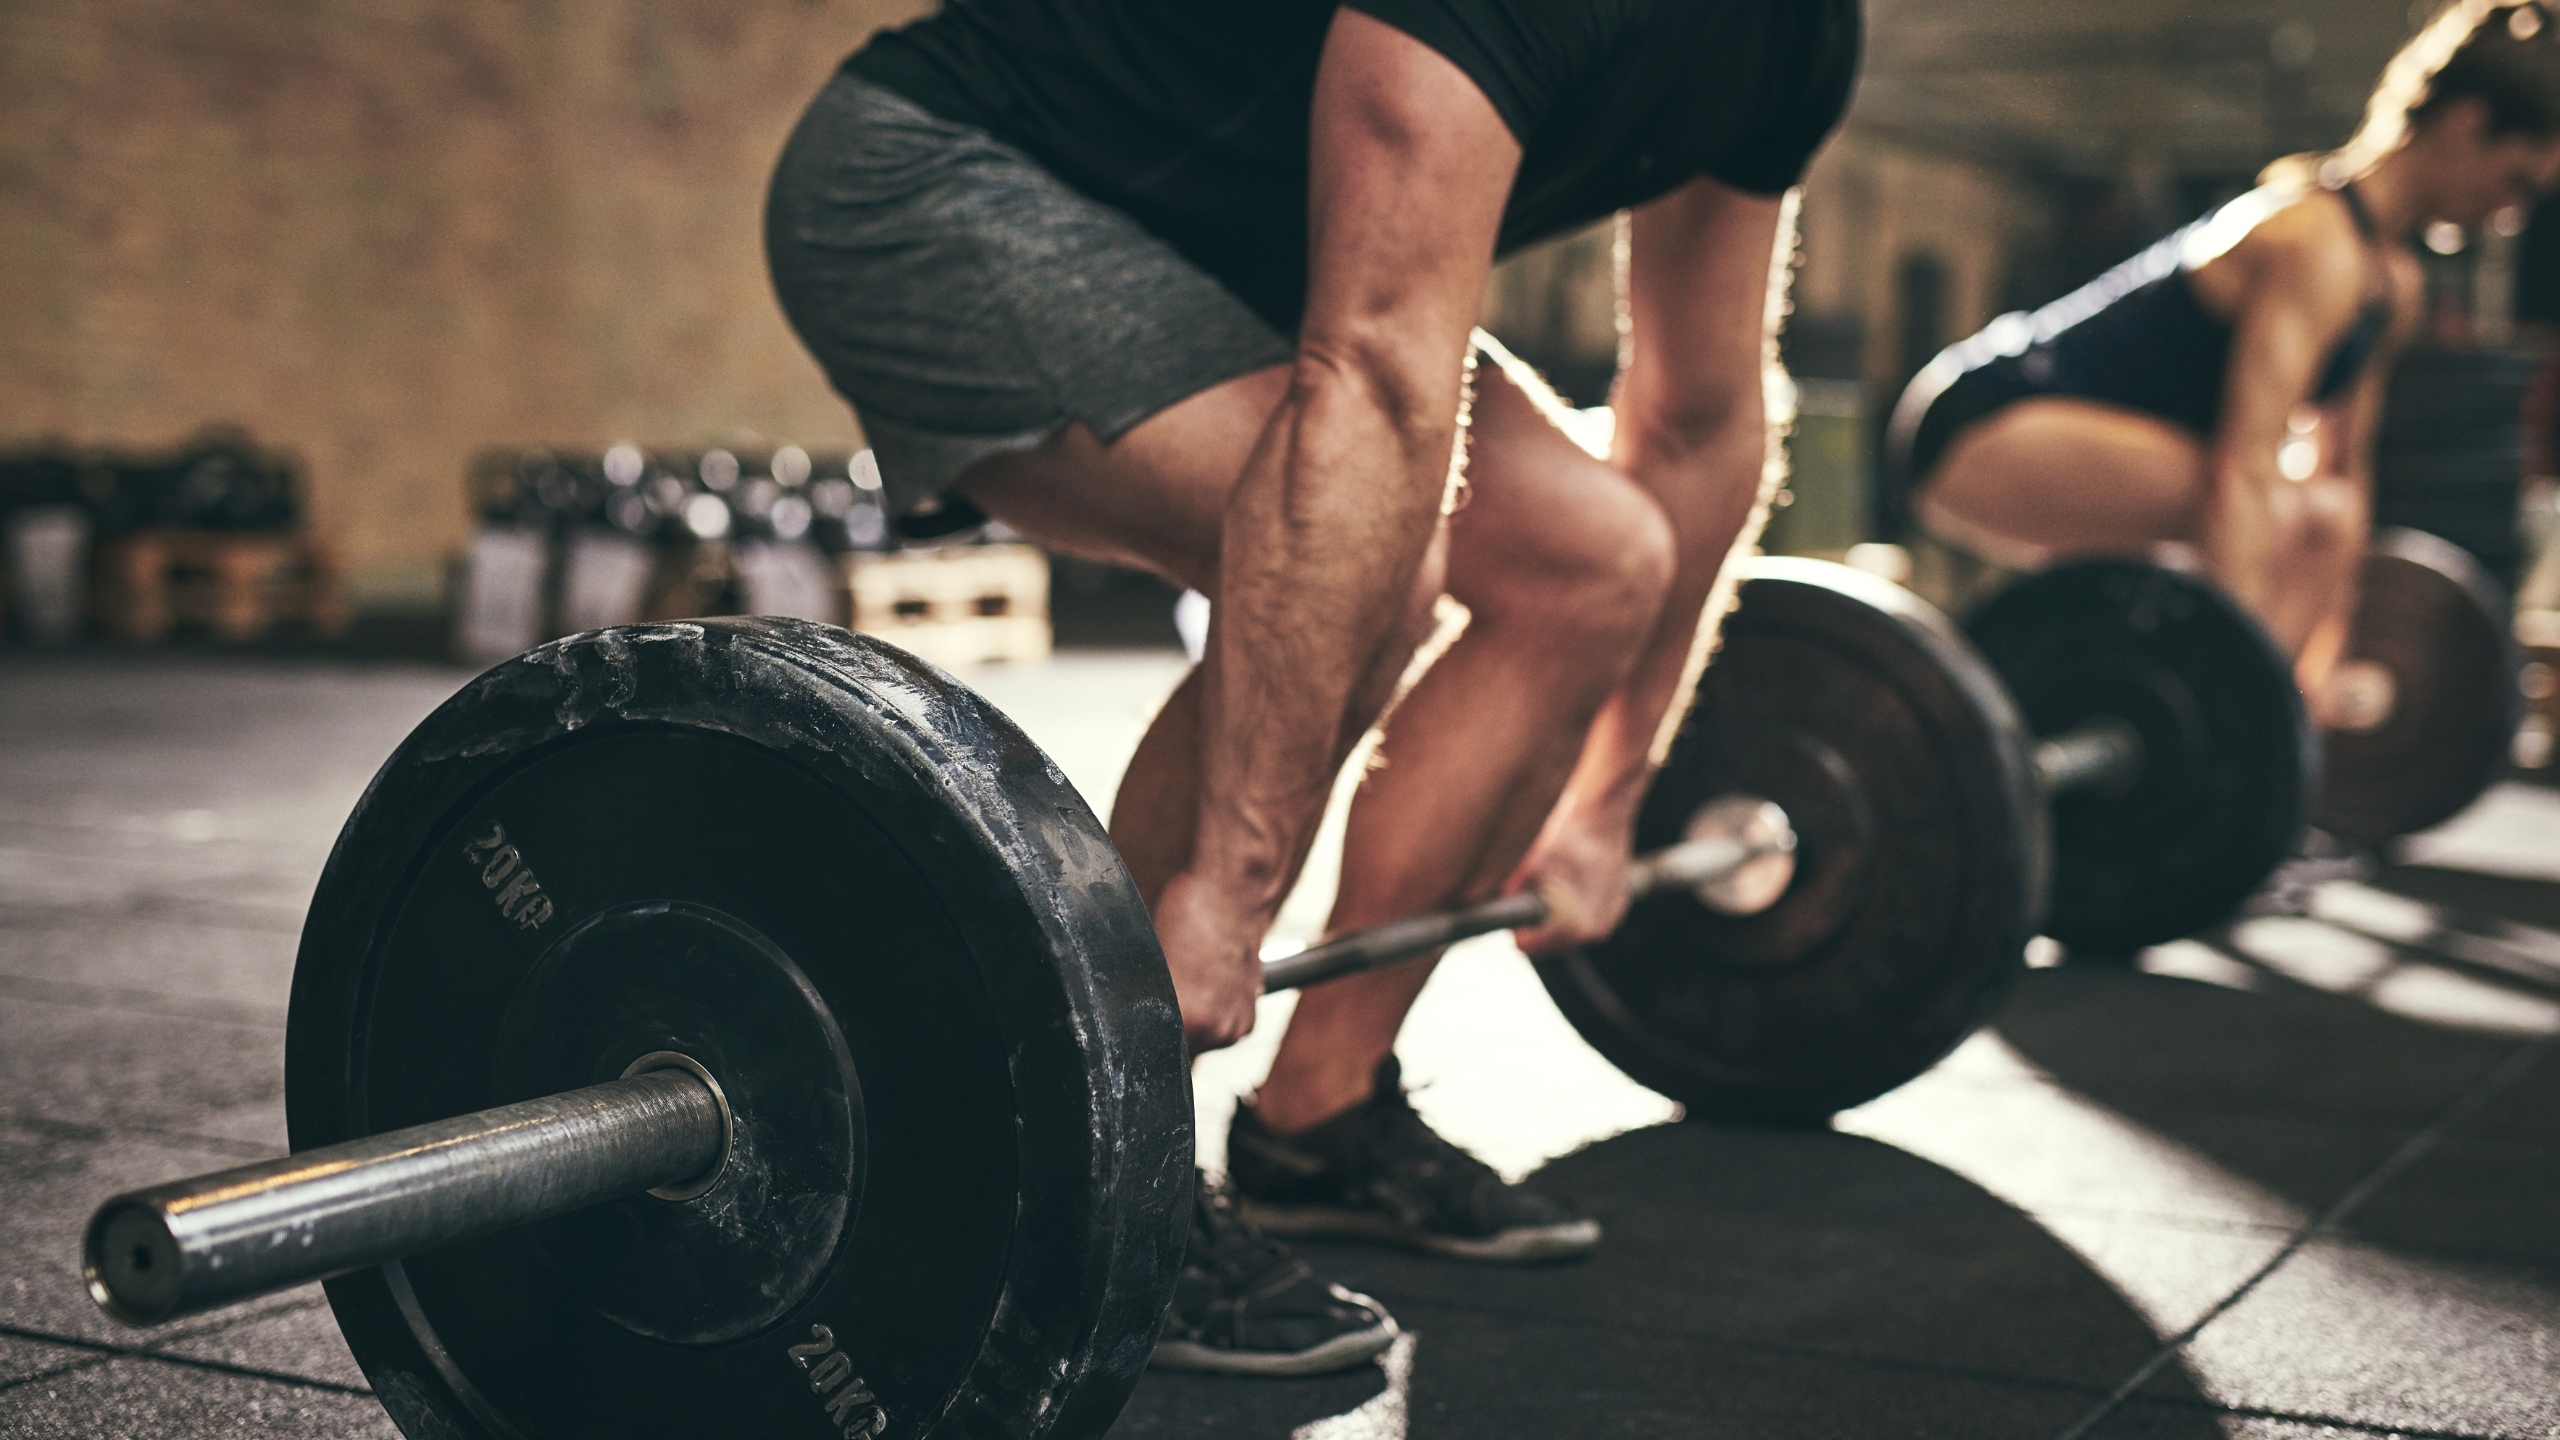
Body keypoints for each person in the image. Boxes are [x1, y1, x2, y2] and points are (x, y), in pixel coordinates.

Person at [768, 0, 1856, 1375]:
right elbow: (1377, 375)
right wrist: (1224, 894)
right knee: (1369, 576)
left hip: (1233, 257)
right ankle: (1082, 1180)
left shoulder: (1796, 37)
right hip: (942, 180)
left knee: (1595, 558)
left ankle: (1319, 1122)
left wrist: (1610, 797)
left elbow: (1700, 420)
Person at [1887, 0, 2560, 718]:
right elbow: (2243, 468)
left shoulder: (2392, 284)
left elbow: (2347, 475)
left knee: (2320, 511)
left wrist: (2327, 664)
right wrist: (2235, 694)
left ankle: (2246, 720)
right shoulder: (2315, 241)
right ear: (2467, 129)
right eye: (2517, 182)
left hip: (2091, 444)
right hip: (1977, 423)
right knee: (2284, 508)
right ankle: (2228, 717)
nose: (2509, 214)